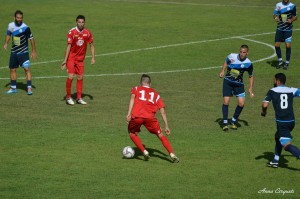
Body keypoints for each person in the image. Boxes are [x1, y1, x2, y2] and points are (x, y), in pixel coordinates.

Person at [126, 74, 179, 163]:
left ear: (141, 83)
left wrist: (128, 114)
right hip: (150, 118)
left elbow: (132, 99)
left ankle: (144, 151)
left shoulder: (136, 89)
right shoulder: (156, 94)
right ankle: (172, 153)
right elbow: (163, 112)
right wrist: (166, 126)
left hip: (137, 117)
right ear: (150, 83)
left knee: (132, 133)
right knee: (161, 135)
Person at [261, 73, 300, 168]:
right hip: (291, 121)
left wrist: (264, 112)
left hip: (282, 123)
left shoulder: (272, 91)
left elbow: (265, 104)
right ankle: (275, 160)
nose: (274, 82)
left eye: (274, 80)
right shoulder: (291, 90)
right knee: (277, 135)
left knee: (286, 145)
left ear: (278, 81)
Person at [219, 44, 254, 131]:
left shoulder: (248, 63)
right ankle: (225, 123)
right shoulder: (232, 56)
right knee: (226, 101)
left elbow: (251, 76)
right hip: (228, 82)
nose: (242, 54)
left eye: (244, 52)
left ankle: (233, 120)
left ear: (247, 53)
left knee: (241, 103)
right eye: (241, 52)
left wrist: (250, 88)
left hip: (239, 84)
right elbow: (226, 61)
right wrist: (222, 71)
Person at [61, 15, 95, 105]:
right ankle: (68, 97)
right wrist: (65, 60)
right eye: (79, 22)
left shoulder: (87, 33)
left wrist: (93, 57)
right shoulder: (72, 32)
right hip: (71, 58)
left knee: (80, 77)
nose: (81, 24)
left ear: (84, 22)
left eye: (82, 22)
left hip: (80, 59)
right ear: (76, 22)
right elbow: (68, 46)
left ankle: (79, 98)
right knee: (71, 76)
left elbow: (91, 45)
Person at [3, 10, 37, 95]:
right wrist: (6, 43)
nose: (19, 19)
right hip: (14, 52)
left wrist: (33, 51)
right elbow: (8, 34)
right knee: (12, 69)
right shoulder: (10, 25)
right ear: (14, 17)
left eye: (21, 18)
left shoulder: (26, 28)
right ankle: (13, 88)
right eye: (18, 18)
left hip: (24, 53)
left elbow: (31, 39)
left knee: (27, 69)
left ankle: (29, 88)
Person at [273, 0, 297, 70]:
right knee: (277, 45)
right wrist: (276, 18)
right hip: (280, 29)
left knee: (288, 45)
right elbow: (274, 14)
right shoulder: (278, 5)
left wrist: (292, 20)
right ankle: (280, 61)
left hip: (288, 30)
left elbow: (295, 16)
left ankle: (286, 63)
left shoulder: (292, 6)